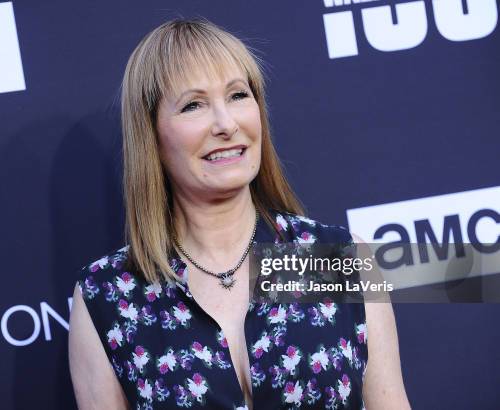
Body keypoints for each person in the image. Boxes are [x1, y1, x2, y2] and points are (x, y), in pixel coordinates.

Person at [69, 18, 410, 410]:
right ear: (152, 135)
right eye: (193, 105)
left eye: (237, 96)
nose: (226, 124)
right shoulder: (107, 296)